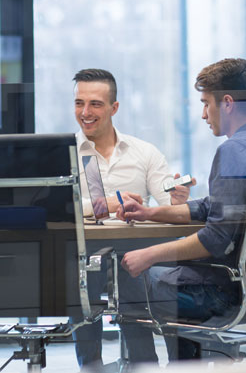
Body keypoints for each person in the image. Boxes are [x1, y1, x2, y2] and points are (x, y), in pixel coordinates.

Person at [115, 58, 246, 365]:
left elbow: (215, 237)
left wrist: (148, 254)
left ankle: (149, 368)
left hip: (224, 292)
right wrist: (150, 213)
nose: (203, 114)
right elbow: (213, 207)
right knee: (168, 275)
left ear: (227, 103)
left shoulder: (232, 151)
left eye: (206, 104)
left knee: (130, 279)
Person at [70, 68, 190, 369]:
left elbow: (169, 209)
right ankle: (95, 364)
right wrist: (105, 204)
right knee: (79, 274)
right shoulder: (65, 154)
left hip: (137, 252)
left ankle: (144, 362)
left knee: (132, 269)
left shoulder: (144, 153)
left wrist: (176, 201)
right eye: (79, 103)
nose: (85, 112)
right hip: (84, 255)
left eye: (95, 104)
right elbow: (55, 208)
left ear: (114, 108)